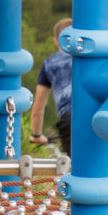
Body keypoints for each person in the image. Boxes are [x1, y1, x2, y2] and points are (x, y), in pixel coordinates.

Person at [30, 17, 75, 155]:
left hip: (70, 118)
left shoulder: (49, 64)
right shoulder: (90, 56)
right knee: (107, 164)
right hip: (95, 113)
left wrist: (37, 135)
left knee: (76, 169)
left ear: (56, 41)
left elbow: (38, 109)